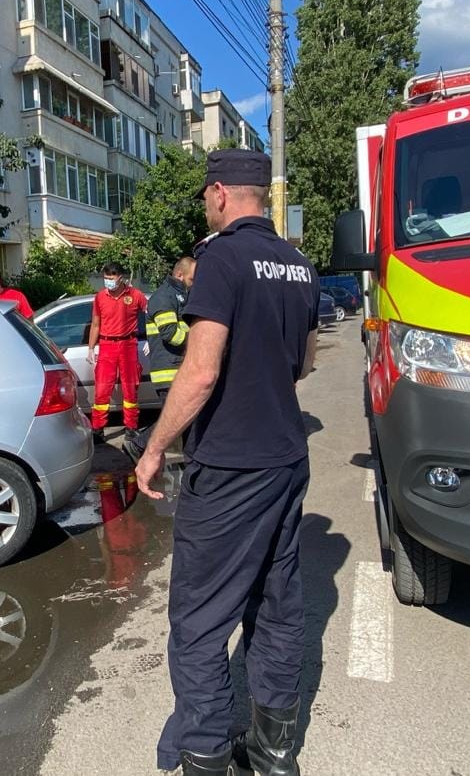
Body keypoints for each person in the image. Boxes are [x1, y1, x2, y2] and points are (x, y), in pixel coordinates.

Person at [134, 150, 319, 776]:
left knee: (198, 619)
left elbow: (202, 367)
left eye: (205, 197)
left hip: (233, 465)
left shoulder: (220, 258)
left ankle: (206, 754)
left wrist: (155, 448)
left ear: (219, 194)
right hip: (286, 457)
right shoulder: (298, 265)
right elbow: (304, 364)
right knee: (277, 607)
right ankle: (272, 754)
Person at [124, 256, 196, 460]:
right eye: (192, 279)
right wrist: (200, 342)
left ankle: (193, 462)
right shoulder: (164, 297)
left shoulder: (179, 295)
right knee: (176, 418)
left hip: (178, 368)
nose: (194, 283)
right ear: (179, 275)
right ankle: (139, 445)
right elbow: (171, 334)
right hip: (169, 370)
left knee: (184, 418)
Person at [87, 262, 149, 440]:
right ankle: (98, 429)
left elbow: (152, 314)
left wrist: (152, 338)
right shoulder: (100, 297)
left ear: (120, 278)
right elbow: (96, 324)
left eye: (111, 278)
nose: (107, 282)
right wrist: (91, 348)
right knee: (101, 389)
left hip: (128, 345)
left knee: (130, 388)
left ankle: (131, 427)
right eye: (105, 278)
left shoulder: (135, 295)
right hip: (106, 345)